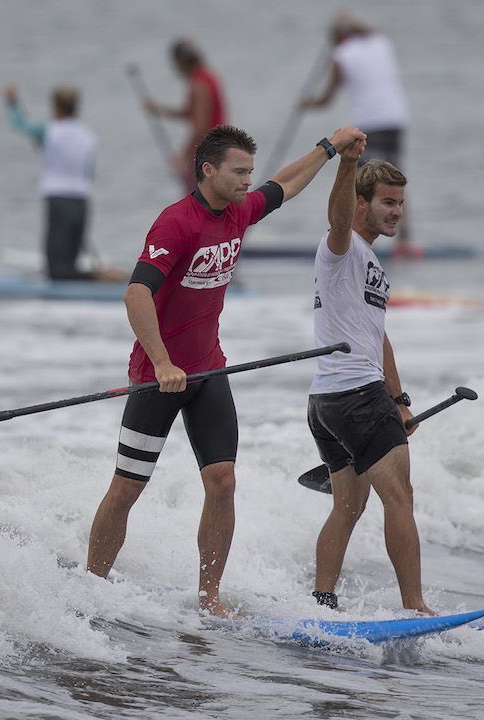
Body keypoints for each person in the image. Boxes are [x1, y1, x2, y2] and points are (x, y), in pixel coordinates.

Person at [87, 124, 367, 618]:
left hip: (209, 374)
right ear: (208, 171)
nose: (246, 181)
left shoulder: (239, 212)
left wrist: (328, 149)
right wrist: (161, 361)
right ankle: (90, 586)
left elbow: (284, 184)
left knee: (223, 482)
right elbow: (136, 293)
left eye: (249, 173)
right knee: (128, 485)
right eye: (238, 172)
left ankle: (208, 598)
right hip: (159, 378)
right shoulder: (176, 223)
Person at [307, 155, 434, 615]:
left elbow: (377, 336)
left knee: (349, 505)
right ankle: (415, 606)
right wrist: (345, 164)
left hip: (327, 400)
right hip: (355, 395)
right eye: (386, 202)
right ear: (360, 204)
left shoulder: (368, 259)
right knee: (400, 497)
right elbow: (337, 216)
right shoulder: (340, 247)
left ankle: (322, 604)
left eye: (400, 203)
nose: (397, 211)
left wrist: (399, 401)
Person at [298, 11, 415, 258]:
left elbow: (327, 98)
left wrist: (307, 104)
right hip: (395, 119)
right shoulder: (380, 42)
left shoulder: (341, 55)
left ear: (338, 37)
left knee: (359, 182)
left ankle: (351, 236)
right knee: (395, 178)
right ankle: (405, 240)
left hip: (368, 124)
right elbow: (368, 30)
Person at [4, 84, 125, 281]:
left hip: (59, 202)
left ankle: (102, 275)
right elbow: (89, 174)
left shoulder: (48, 131)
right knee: (67, 265)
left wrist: (12, 103)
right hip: (81, 204)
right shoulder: (89, 137)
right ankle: (99, 276)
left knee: (57, 271)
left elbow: (20, 124)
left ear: (56, 107)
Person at [142, 39, 227, 191]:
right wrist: (159, 110)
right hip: (220, 146)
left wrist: (182, 156)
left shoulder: (199, 83)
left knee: (197, 198)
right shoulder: (207, 76)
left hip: (209, 150)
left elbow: (200, 126)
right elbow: (190, 113)